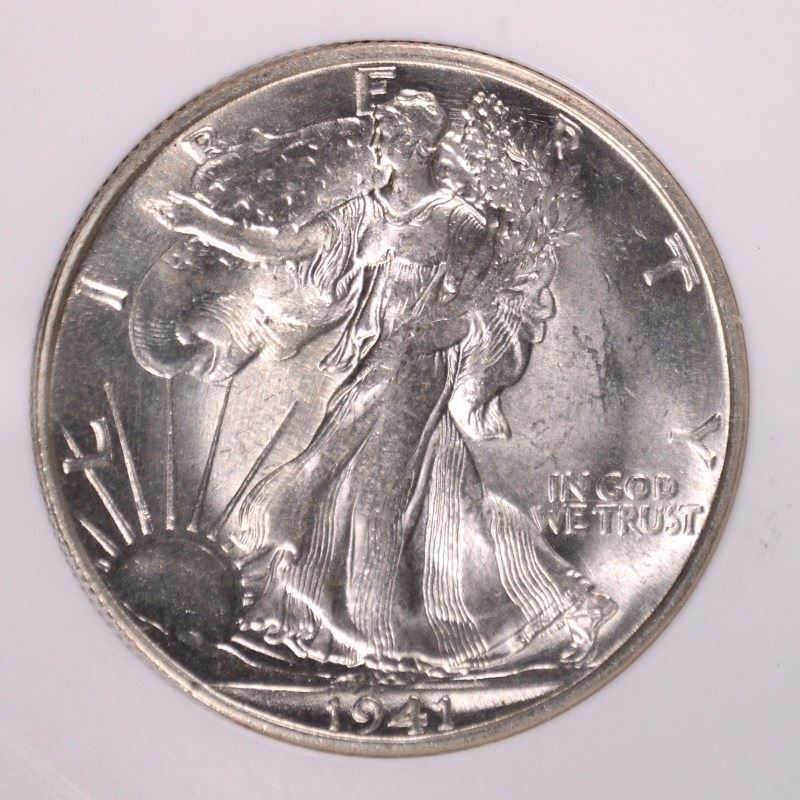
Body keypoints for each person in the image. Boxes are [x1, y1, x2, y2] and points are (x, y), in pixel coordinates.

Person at [149, 89, 616, 674]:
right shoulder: (364, 213)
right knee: (416, 495)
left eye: (391, 132)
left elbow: (480, 304)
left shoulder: (460, 222)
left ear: (418, 144)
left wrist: (431, 336)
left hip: (419, 366)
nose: (379, 140)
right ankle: (553, 603)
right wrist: (204, 223)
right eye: (381, 130)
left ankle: (381, 638)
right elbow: (282, 244)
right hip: (375, 364)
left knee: (372, 496)